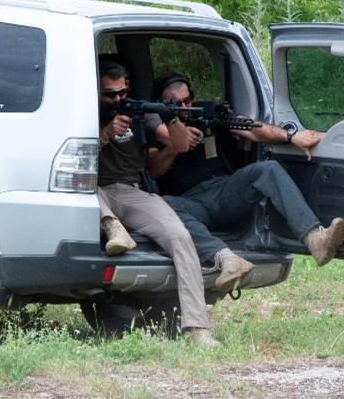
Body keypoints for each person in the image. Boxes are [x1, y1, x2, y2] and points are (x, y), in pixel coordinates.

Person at [95, 57, 238, 347]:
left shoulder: (139, 111)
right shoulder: (83, 111)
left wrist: (171, 116)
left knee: (180, 237)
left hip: (132, 190)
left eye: (123, 92)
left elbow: (180, 144)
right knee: (78, 188)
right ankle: (112, 227)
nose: (119, 100)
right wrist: (106, 133)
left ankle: (198, 328)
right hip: (91, 187)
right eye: (110, 95)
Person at [147, 72, 344, 273]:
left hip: (223, 191)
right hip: (190, 203)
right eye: (176, 104)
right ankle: (226, 259)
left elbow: (250, 127)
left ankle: (314, 238)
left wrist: (290, 136)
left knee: (268, 169)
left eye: (187, 100)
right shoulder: (156, 127)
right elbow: (154, 170)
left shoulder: (204, 112)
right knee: (163, 206)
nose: (185, 107)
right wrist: (175, 144)